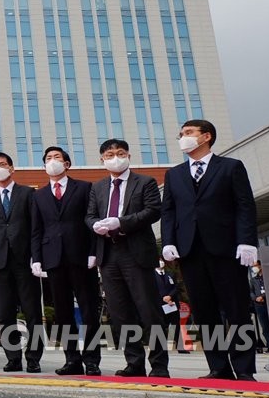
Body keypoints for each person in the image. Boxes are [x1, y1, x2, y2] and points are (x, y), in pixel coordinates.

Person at [161, 119, 258, 381]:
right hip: (190, 251)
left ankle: (245, 368)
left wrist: (247, 241)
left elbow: (245, 206)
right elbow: (168, 211)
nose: (183, 137)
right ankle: (218, 367)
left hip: (226, 249)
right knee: (205, 311)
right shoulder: (174, 174)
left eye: (189, 133)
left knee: (236, 309)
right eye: (181, 134)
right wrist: (168, 240)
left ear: (206, 136)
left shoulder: (230, 167)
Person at [86, 139, 169, 377]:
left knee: (149, 310)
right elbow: (89, 215)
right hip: (108, 254)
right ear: (102, 159)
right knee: (121, 313)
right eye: (110, 154)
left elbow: (153, 211)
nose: (115, 157)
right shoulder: (98, 187)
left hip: (136, 253)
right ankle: (134, 363)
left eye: (120, 153)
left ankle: (160, 365)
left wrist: (122, 222)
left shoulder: (145, 182)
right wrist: (95, 225)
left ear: (129, 156)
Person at [31, 146, 102, 376]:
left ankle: (92, 360)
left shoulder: (83, 188)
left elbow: (92, 221)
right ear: (44, 166)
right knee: (63, 314)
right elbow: (36, 229)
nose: (53, 162)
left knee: (89, 310)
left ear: (67, 164)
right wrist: (37, 259)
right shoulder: (38, 195)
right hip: (53, 259)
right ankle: (72, 359)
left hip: (81, 257)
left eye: (57, 158)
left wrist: (94, 252)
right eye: (48, 159)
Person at [0, 152, 43, 373]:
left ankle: (33, 358)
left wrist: (37, 256)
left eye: (3, 165)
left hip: (25, 261)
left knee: (32, 311)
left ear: (12, 168)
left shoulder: (27, 194)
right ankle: (13, 358)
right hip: (1, 264)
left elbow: (36, 227)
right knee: (5, 314)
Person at [154, 259, 189, 353]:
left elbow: (176, 287)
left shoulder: (170, 274)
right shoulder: (151, 276)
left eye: (162, 260)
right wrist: (163, 298)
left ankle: (180, 347)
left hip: (172, 304)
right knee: (161, 326)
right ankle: (161, 348)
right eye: (159, 260)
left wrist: (170, 296)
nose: (160, 262)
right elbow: (151, 290)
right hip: (160, 304)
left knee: (176, 325)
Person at [251, 261, 269, 353]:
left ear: (260, 266)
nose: (253, 268)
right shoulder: (253, 280)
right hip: (259, 306)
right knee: (265, 327)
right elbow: (251, 291)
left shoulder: (268, 277)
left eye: (255, 266)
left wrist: (263, 297)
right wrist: (256, 298)